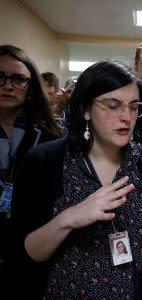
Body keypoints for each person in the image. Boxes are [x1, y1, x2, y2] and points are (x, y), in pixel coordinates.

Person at [10, 60, 142, 299]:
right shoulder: (45, 161)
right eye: (113, 106)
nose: (126, 117)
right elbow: (25, 253)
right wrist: (69, 218)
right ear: (86, 109)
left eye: (134, 107)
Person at [0, 45, 61, 294]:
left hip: (37, 249)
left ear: (31, 85)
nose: (7, 85)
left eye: (18, 79)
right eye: (0, 77)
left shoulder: (54, 137)